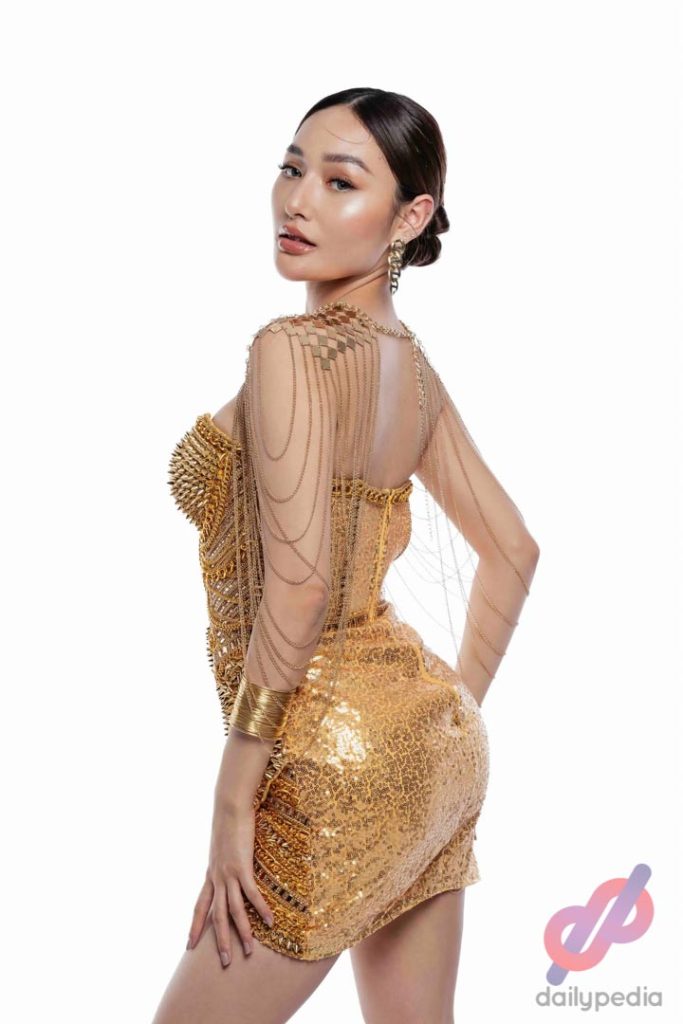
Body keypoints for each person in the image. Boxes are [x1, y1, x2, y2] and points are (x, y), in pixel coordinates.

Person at [155, 88, 540, 1024]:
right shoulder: (412, 369)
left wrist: (233, 798)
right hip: (436, 748)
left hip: (321, 760)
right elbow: (514, 552)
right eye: (291, 168)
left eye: (340, 182)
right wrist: (435, 722)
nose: (297, 201)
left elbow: (299, 586)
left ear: (408, 218)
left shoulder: (287, 351)